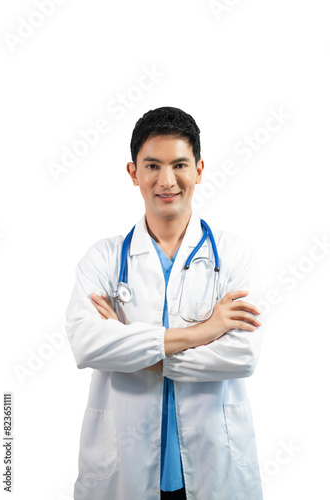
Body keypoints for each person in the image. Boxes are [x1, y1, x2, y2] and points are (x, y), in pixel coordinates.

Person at [65, 106, 266, 500]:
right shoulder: (103, 259)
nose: (166, 180)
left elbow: (243, 355)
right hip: (123, 468)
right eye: (152, 165)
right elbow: (85, 344)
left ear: (200, 170)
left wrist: (130, 346)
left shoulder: (233, 255)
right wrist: (203, 332)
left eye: (179, 165)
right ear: (133, 172)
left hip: (214, 469)